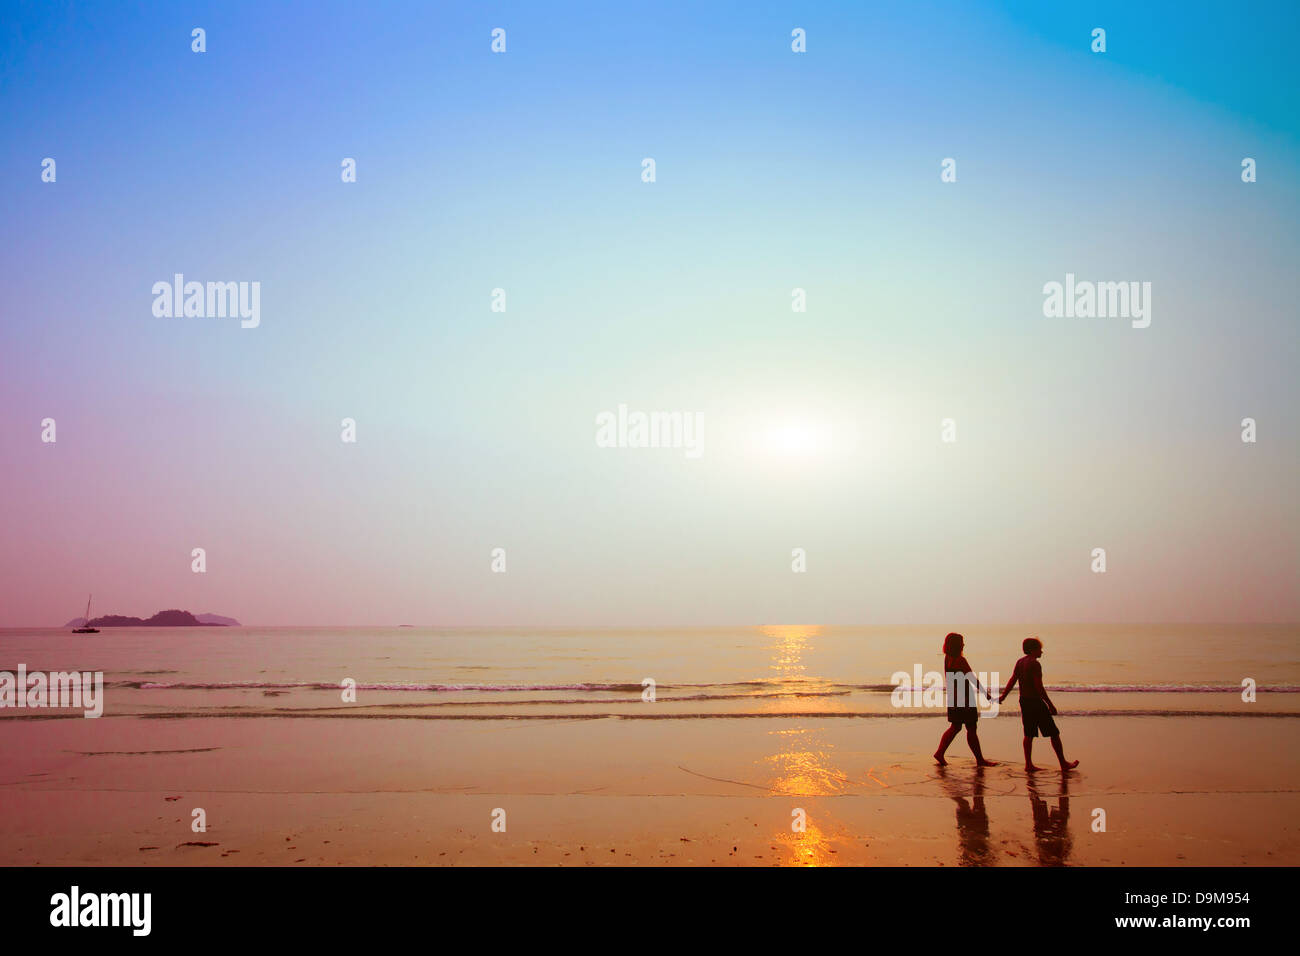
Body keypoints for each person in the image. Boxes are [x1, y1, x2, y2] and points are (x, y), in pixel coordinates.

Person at [999, 637, 1079, 773]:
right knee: (1053, 733)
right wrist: (1050, 704)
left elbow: (1012, 680)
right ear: (1033, 650)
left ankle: (1028, 764)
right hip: (1035, 702)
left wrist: (1003, 696)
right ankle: (1063, 763)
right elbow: (1039, 687)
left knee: (1028, 734)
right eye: (1039, 649)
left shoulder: (1020, 662)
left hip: (1024, 701)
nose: (1042, 651)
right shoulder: (1035, 664)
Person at [933, 632, 998, 767]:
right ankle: (979, 760)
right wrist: (986, 695)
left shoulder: (947, 658)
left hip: (953, 697)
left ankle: (940, 752)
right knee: (971, 728)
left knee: (955, 727)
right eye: (962, 642)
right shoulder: (960, 661)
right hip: (965, 698)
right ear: (957, 645)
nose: (964, 644)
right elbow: (972, 678)